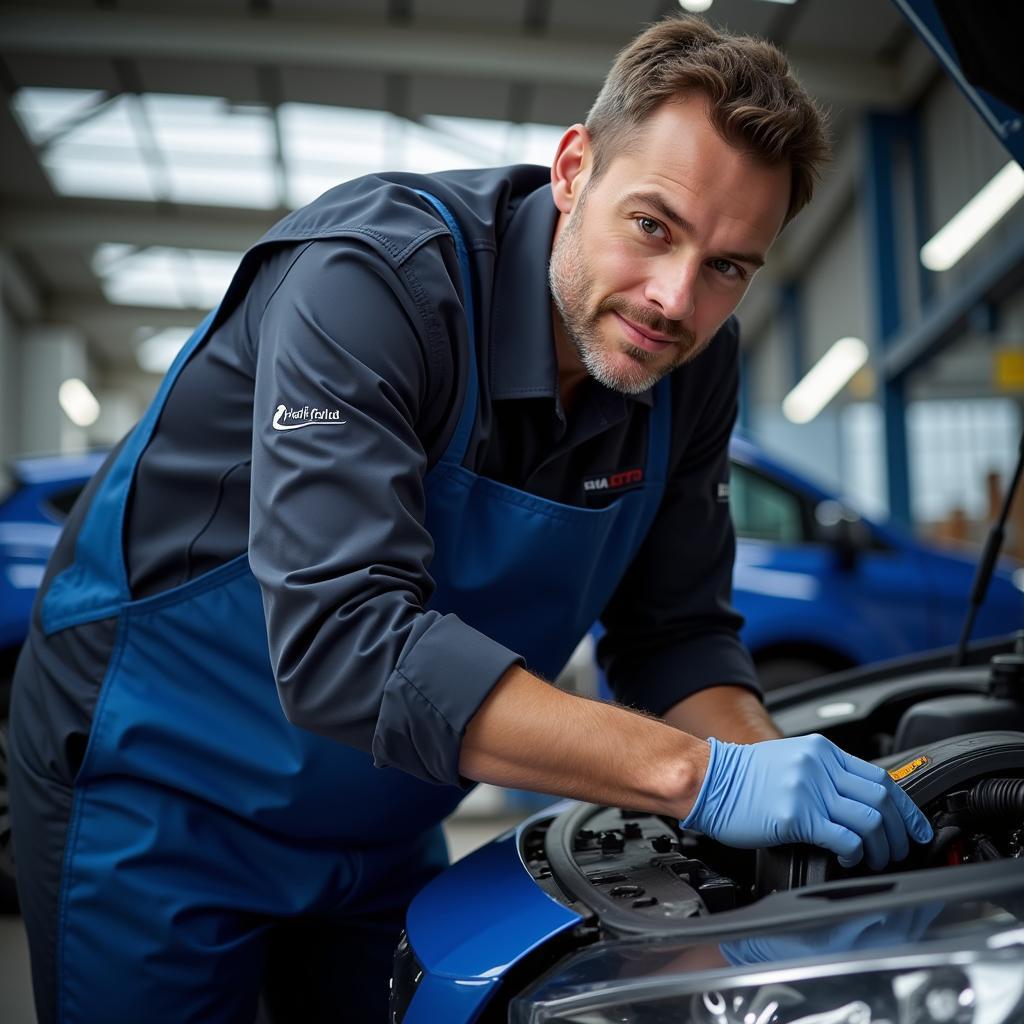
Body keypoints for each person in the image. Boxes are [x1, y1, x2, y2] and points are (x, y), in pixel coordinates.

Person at [9, 15, 932, 1024]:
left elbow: (674, 636)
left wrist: (765, 773)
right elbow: (344, 646)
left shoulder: (695, 367)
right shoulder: (372, 281)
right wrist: (696, 777)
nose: (675, 298)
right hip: (160, 791)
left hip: (385, 810)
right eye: (652, 226)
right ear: (574, 169)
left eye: (728, 265)